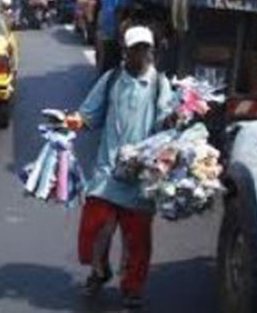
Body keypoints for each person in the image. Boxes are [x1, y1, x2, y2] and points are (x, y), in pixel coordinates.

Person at [65, 26, 174, 309]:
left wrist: (175, 118)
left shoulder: (160, 84)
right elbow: (89, 115)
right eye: (135, 49)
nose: (141, 54)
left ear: (151, 51)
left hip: (141, 176)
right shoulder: (112, 79)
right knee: (95, 227)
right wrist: (70, 123)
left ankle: (132, 288)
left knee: (136, 239)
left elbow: (165, 119)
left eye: (145, 49)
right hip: (107, 171)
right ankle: (100, 271)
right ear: (125, 52)